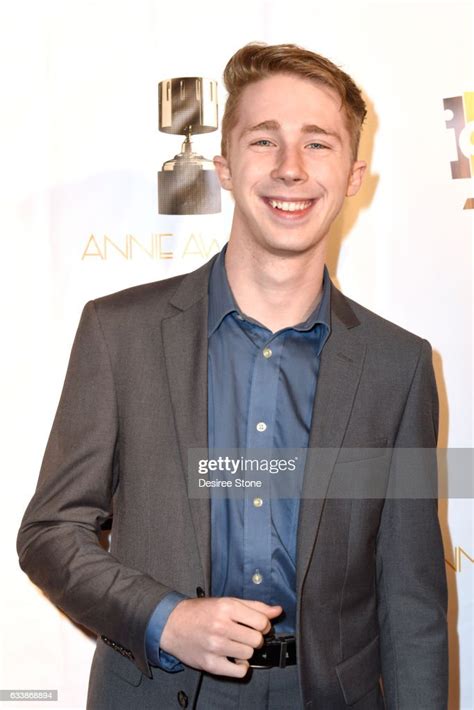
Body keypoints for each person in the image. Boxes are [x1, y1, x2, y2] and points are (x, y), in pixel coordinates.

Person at [17, 42, 448, 709]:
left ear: (355, 175)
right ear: (223, 165)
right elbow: (50, 532)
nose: (290, 168)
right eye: (264, 140)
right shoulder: (119, 333)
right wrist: (164, 619)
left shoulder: (400, 367)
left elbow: (412, 598)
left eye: (318, 144)